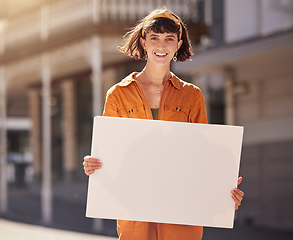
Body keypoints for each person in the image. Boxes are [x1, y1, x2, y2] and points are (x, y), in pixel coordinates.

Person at [82, 7, 244, 240]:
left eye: (169, 39)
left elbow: (202, 158)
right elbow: (109, 155)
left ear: (178, 45)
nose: (161, 46)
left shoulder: (192, 95)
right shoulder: (118, 94)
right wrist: (94, 164)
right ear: (143, 42)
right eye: (154, 38)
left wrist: (222, 191)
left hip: (182, 213)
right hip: (135, 211)